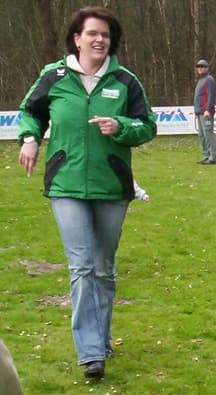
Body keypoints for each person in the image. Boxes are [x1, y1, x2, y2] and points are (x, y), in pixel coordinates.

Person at [17, 6, 156, 378]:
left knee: (104, 270)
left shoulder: (125, 81)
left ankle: (101, 337)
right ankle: (91, 352)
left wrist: (121, 125)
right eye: (92, 33)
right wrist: (30, 138)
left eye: (105, 35)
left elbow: (147, 126)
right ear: (76, 38)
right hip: (66, 185)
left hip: (112, 185)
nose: (99, 39)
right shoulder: (54, 76)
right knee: (81, 267)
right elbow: (30, 111)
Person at [194, 59, 216, 165]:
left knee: (208, 134)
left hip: (206, 112)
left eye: (202, 66)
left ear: (207, 68)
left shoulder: (209, 79)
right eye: (198, 66)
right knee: (202, 135)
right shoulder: (201, 80)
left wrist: (208, 109)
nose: (200, 68)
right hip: (200, 112)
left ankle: (212, 157)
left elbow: (211, 96)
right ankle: (206, 155)